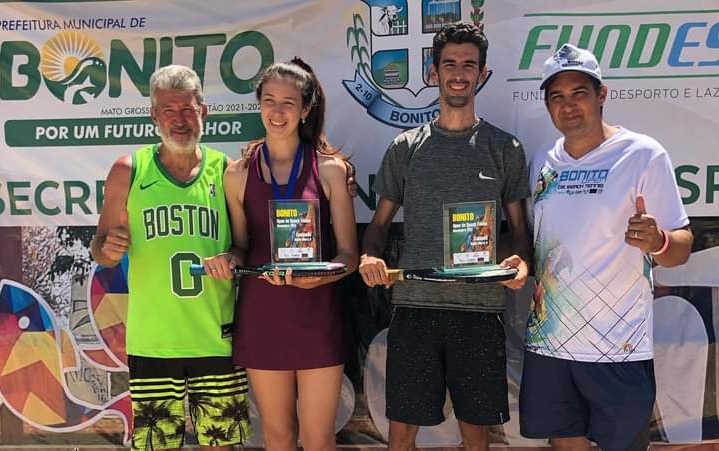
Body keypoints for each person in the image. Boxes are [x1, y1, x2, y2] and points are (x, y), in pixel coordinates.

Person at [358, 23, 531, 451]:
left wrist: (521, 265)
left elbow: (521, 232)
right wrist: (368, 258)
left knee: (477, 438)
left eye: (468, 65)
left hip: (480, 312)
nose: (459, 73)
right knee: (401, 436)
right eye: (449, 64)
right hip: (416, 309)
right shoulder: (406, 147)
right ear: (433, 72)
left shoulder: (504, 148)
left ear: (482, 73)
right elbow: (378, 228)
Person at [519, 44, 693, 451]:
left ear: (602, 94)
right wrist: (518, 263)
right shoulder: (543, 162)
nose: (568, 105)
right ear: (547, 106)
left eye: (579, 92)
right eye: (556, 97)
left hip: (618, 346)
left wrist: (659, 241)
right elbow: (537, 245)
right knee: (564, 443)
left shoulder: (643, 155)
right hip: (551, 343)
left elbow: (681, 246)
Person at [90, 65, 251, 451]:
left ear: (204, 112)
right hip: (153, 340)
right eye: (168, 110)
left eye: (188, 109)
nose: (179, 120)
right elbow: (100, 248)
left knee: (222, 444)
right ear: (153, 116)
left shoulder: (226, 171)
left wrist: (231, 257)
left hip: (216, 338)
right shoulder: (129, 170)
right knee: (157, 445)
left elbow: (245, 247)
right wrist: (107, 249)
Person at [204, 58, 358, 451]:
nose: (277, 111)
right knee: (277, 436)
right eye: (269, 100)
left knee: (320, 439)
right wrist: (230, 259)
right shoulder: (237, 174)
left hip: (317, 315)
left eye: (288, 102)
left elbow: (348, 255)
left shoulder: (330, 171)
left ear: (305, 109)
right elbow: (241, 245)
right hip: (262, 316)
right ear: (258, 104)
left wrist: (319, 277)